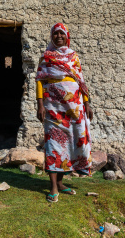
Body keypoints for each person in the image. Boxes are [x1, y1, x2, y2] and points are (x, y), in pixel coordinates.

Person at [36, 22, 93, 203]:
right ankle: (53, 187)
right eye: (56, 34)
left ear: (67, 36)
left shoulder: (74, 57)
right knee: (53, 144)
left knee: (70, 142)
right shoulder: (46, 57)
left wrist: (87, 104)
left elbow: (81, 81)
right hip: (53, 106)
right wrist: (40, 105)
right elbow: (39, 81)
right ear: (51, 36)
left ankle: (61, 183)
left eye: (62, 34)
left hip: (74, 107)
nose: (59, 36)